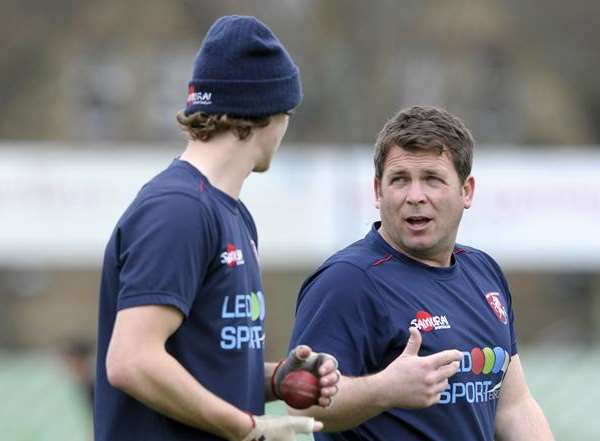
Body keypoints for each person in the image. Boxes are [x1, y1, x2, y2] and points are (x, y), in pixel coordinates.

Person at [94, 15, 339, 441]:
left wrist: (276, 379)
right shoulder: (178, 210)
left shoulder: (231, 214)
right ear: (268, 113)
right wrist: (247, 429)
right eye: (288, 112)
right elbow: (131, 360)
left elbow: (205, 366)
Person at [288, 106, 554, 441]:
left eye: (432, 179)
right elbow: (302, 404)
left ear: (466, 191)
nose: (415, 197)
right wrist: (385, 389)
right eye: (400, 180)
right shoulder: (347, 280)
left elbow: (513, 406)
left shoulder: (483, 272)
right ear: (378, 191)